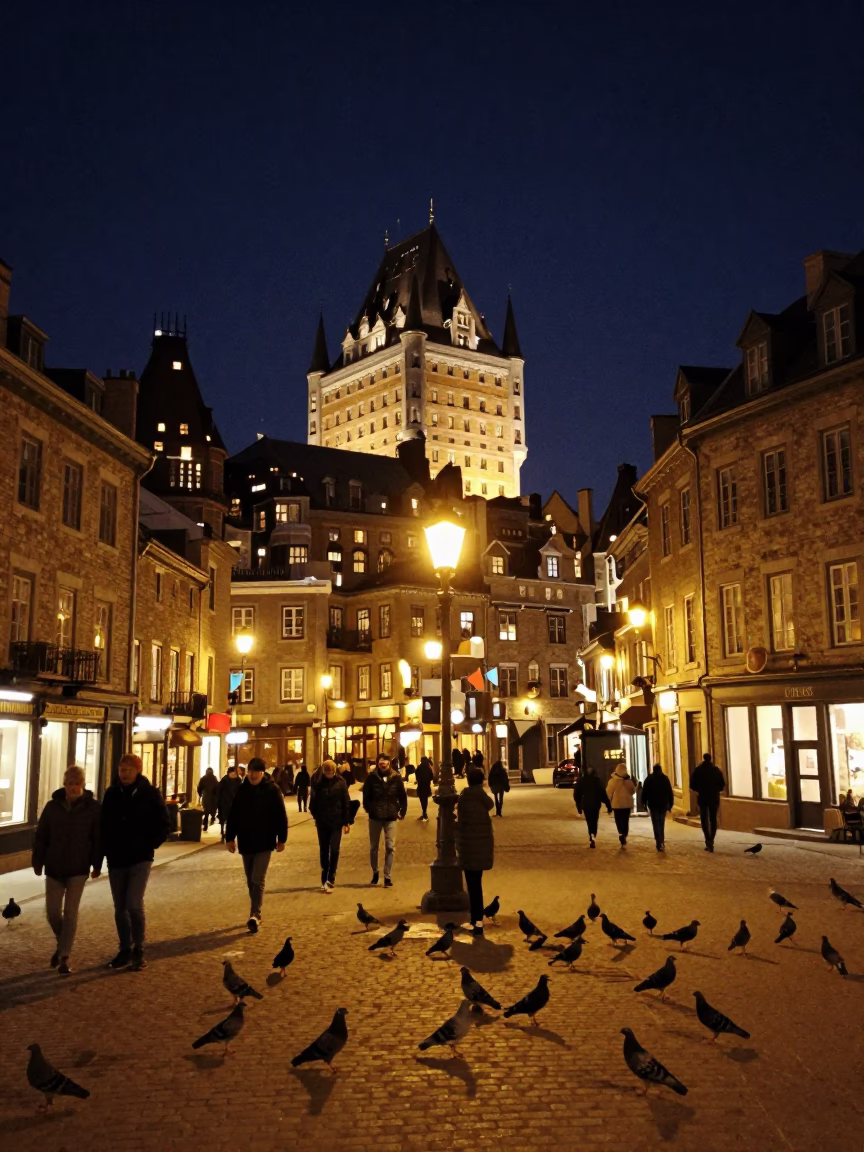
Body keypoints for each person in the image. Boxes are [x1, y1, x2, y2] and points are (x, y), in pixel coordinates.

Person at [101, 753, 170, 971]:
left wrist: (151, 843)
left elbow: (164, 822)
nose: (124, 774)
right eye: (121, 770)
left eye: (128, 770)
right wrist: (105, 850)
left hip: (140, 857)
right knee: (120, 907)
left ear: (137, 771)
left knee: (133, 903)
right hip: (117, 858)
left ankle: (138, 947)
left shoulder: (149, 793)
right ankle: (124, 949)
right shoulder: (112, 794)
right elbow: (103, 825)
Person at [32, 764, 102, 976]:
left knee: (70, 914)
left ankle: (64, 956)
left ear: (83, 784)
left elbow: (97, 839)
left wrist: (97, 864)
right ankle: (62, 943)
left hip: (78, 868)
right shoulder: (52, 807)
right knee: (53, 913)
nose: (73, 787)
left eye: (77, 783)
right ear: (64, 784)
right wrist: (37, 861)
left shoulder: (92, 808)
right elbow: (41, 836)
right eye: (70, 783)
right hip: (54, 867)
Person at [225, 757, 287, 932]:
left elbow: (280, 815)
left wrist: (282, 838)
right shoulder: (242, 790)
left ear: (262, 773)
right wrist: (230, 837)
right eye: (250, 771)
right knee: (250, 880)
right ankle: (255, 909)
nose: (252, 775)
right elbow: (234, 815)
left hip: (265, 841)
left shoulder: (272, 790)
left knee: (257, 878)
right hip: (246, 841)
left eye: (256, 772)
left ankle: (255, 914)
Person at [456, 767, 494, 936]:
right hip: (481, 848)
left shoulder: (464, 797)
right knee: (477, 884)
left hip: (468, 847)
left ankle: (476, 921)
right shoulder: (483, 798)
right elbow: (491, 804)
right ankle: (477, 920)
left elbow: (461, 824)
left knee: (472, 886)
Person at [361, 754, 407, 887]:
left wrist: (402, 811)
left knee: (390, 847)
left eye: (385, 761)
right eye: (380, 762)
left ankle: (387, 876)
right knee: (374, 847)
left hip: (391, 816)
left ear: (389, 763)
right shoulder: (371, 778)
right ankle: (375, 872)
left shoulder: (396, 777)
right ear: (378, 763)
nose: (383, 764)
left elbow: (402, 796)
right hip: (375, 817)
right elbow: (366, 796)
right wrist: (370, 809)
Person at [309, 760, 350, 892]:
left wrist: (346, 822)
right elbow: (313, 802)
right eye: (327, 773)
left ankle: (331, 877)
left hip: (336, 821)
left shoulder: (341, 782)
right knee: (324, 850)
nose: (329, 775)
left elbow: (346, 802)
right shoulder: (317, 782)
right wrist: (316, 816)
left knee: (335, 849)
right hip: (322, 822)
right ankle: (324, 877)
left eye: (331, 772)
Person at [689, 752, 726, 852]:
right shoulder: (716, 770)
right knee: (713, 819)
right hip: (714, 798)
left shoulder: (698, 770)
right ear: (710, 759)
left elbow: (692, 785)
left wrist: (699, 790)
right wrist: (715, 790)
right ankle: (711, 840)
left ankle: (707, 839)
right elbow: (722, 785)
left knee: (704, 819)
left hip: (703, 797)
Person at [573, 764, 611, 848]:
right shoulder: (597, 781)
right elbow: (603, 794)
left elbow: (577, 794)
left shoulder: (582, 781)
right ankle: (593, 834)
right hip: (596, 804)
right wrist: (608, 806)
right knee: (594, 820)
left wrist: (579, 807)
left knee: (589, 821)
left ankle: (591, 835)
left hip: (586, 804)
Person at [641, 763, 674, 851]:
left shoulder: (649, 779)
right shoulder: (665, 779)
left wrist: (644, 803)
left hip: (653, 805)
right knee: (661, 823)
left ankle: (658, 842)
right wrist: (670, 804)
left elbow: (644, 792)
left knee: (655, 824)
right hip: (663, 805)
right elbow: (670, 792)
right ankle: (661, 841)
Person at [606, 762, 637, 848]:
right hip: (627, 804)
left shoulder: (612, 781)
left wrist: (609, 802)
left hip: (617, 805)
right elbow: (633, 791)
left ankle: (620, 832)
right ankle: (624, 834)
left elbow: (608, 792)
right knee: (625, 820)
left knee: (618, 820)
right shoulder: (629, 781)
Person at [216, 766, 242, 842]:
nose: (233, 773)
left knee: (228, 819)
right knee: (228, 819)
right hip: (228, 803)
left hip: (230, 803)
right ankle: (226, 833)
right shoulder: (230, 780)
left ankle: (227, 833)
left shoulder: (235, 780)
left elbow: (219, 791)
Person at [197, 767, 219, 831]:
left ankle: (205, 824)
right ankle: (212, 818)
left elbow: (199, 787)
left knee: (206, 810)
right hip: (213, 797)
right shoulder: (214, 778)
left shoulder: (203, 778)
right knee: (213, 809)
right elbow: (217, 787)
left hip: (206, 796)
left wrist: (200, 794)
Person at [415, 756, 434, 821]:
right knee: (425, 800)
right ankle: (424, 813)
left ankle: (424, 814)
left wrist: (418, 780)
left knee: (422, 800)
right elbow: (432, 777)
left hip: (421, 786)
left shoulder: (419, 767)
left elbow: (416, 774)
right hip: (427, 786)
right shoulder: (428, 768)